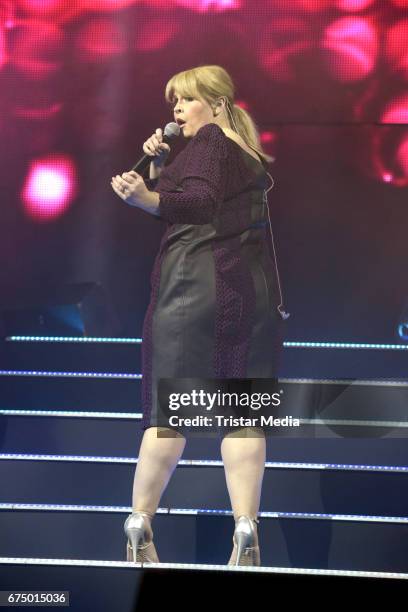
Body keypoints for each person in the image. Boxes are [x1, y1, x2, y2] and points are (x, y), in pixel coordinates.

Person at [110, 65, 289, 567]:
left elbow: (197, 202)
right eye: (174, 105)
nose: (176, 113)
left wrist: (146, 199)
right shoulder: (238, 145)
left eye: (183, 102)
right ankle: (246, 528)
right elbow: (210, 196)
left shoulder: (210, 139)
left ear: (212, 101)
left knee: (169, 416)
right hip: (246, 292)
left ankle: (140, 522)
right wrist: (161, 163)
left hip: (192, 289)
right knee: (242, 414)